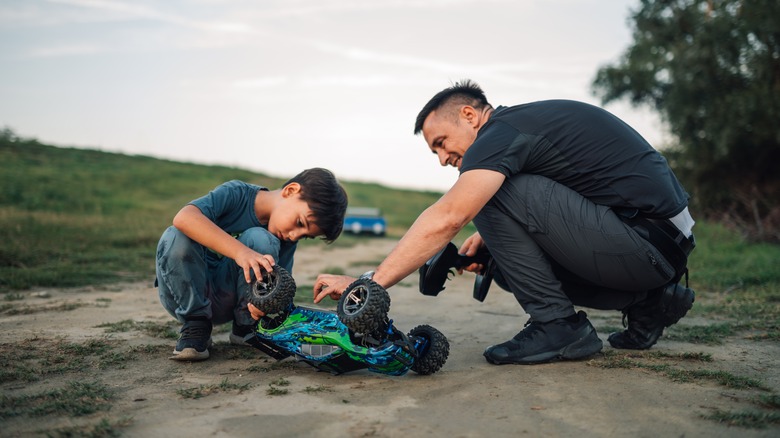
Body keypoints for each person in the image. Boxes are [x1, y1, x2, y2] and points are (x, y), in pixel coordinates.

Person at [313, 80, 696, 365]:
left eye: (442, 143)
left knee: (482, 191)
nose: (443, 158)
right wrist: (492, 239)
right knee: (494, 252)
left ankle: (558, 326)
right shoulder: (522, 128)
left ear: (469, 114)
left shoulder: (499, 134)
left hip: (644, 241)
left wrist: (368, 282)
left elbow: (448, 216)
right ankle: (651, 302)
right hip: (658, 249)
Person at [156, 168, 348, 361]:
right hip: (183, 295)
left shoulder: (284, 238)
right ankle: (196, 325)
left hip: (229, 301)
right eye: (299, 222)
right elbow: (184, 217)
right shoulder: (236, 194)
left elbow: (280, 286)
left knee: (261, 239)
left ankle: (245, 326)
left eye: (305, 236)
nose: (294, 235)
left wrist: (268, 306)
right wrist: (240, 252)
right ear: (290, 191)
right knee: (176, 234)